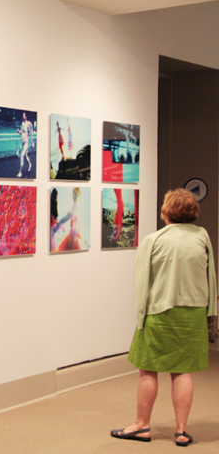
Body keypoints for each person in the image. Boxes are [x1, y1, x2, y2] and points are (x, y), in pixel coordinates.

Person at [111, 189, 217, 447]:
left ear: (166, 212)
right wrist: (211, 314)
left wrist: (140, 318)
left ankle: (142, 426)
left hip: (159, 312)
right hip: (192, 314)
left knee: (148, 370)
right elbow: (211, 278)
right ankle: (181, 431)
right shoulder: (202, 237)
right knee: (182, 372)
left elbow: (142, 282)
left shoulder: (154, 240)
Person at [16, 112, 34, 177]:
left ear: (26, 117)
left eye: (24, 116)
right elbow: (22, 132)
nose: (23, 117)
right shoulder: (22, 123)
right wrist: (18, 131)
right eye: (22, 116)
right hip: (22, 142)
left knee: (22, 156)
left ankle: (20, 172)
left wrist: (32, 142)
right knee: (26, 156)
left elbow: (31, 134)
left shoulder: (28, 123)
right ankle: (30, 164)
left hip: (26, 143)